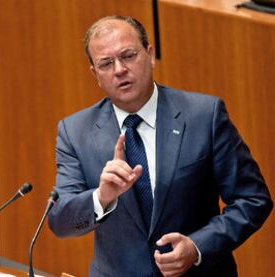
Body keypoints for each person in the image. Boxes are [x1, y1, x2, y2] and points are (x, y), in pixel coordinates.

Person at [48, 15, 273, 277]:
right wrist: (101, 197)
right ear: (95, 74)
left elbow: (252, 199)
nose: (119, 69)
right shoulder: (75, 131)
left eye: (128, 56)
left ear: (150, 54)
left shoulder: (203, 116)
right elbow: (60, 221)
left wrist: (196, 247)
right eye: (106, 63)